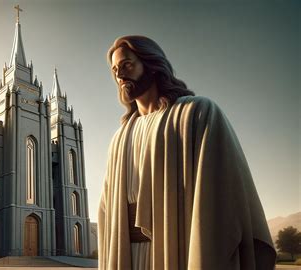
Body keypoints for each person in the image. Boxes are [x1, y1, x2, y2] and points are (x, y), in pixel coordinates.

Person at [97, 35, 276, 270]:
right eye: (115, 70)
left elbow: (223, 196)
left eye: (127, 65)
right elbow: (106, 212)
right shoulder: (119, 138)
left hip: (180, 250)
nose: (120, 75)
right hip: (128, 256)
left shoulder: (197, 114)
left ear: (152, 66)